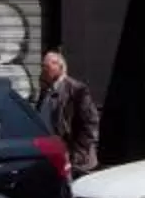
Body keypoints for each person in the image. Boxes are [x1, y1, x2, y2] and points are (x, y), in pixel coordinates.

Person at [35, 48, 100, 176]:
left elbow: (90, 124)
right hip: (52, 155)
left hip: (74, 161)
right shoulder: (46, 90)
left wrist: (76, 156)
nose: (43, 70)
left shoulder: (76, 90)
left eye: (46, 67)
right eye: (42, 67)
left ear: (59, 67)